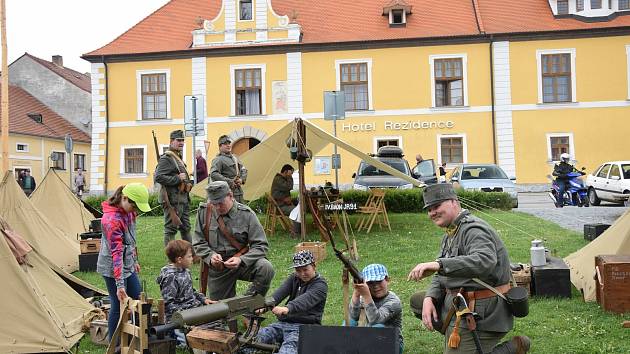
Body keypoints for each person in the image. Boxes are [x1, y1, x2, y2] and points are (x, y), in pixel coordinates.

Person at [408, 183, 530, 354]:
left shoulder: (473, 229)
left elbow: (484, 261)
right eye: (429, 209)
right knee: (418, 301)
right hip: (460, 301)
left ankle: (513, 348)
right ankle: (457, 336)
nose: (432, 213)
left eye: (436, 206)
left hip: (483, 312)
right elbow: (441, 272)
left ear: (454, 202)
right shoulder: (451, 231)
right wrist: (430, 297)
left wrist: (439, 264)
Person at [192, 181, 274, 301]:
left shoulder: (247, 214)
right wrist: (211, 256)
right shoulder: (204, 212)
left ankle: (249, 306)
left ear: (230, 196)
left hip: (242, 263)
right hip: (219, 268)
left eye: (221, 203)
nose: (217, 207)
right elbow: (198, 242)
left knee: (266, 268)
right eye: (214, 203)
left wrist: (241, 260)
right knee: (222, 314)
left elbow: (261, 245)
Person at [96, 183, 151, 342]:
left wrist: (134, 260)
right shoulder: (111, 220)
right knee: (118, 305)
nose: (135, 211)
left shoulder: (129, 213)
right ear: (124, 198)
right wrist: (120, 285)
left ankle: (137, 337)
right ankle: (115, 344)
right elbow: (116, 254)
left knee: (136, 296)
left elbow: (131, 241)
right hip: (112, 267)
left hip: (127, 264)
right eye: (134, 206)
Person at [245, 250, 328, 354]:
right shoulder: (294, 278)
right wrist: (264, 306)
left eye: (305, 269)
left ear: (314, 266)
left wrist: (287, 308)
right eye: (298, 270)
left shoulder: (321, 286)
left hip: (305, 328)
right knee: (251, 341)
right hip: (283, 323)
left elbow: (305, 301)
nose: (302, 274)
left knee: (288, 350)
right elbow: (278, 295)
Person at [157, 239, 216, 347]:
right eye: (189, 256)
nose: (192, 259)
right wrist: (185, 317)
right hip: (179, 317)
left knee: (214, 318)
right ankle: (180, 338)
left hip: (192, 308)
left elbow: (191, 291)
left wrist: (204, 299)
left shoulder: (185, 271)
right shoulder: (170, 276)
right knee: (185, 343)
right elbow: (169, 303)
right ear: (179, 259)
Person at [349, 264, 403, 354]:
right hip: (369, 339)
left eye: (379, 281)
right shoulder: (365, 297)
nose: (375, 286)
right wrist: (356, 293)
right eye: (370, 283)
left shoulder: (394, 302)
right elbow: (353, 316)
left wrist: (366, 295)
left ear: (387, 280)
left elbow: (376, 321)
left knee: (378, 327)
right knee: (349, 322)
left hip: (392, 344)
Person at [155, 130, 193, 246]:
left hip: (182, 198)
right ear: (171, 141)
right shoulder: (166, 158)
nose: (181, 143)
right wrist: (177, 179)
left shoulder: (177, 157)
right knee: (171, 229)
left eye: (182, 140)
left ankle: (190, 254)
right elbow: (159, 177)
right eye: (178, 140)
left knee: (185, 228)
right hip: (172, 200)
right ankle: (171, 259)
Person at [210, 135, 248, 203]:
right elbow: (214, 174)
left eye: (229, 143)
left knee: (240, 212)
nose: (228, 145)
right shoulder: (218, 159)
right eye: (225, 144)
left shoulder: (235, 157)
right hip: (226, 194)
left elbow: (243, 169)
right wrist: (229, 182)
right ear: (220, 146)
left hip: (238, 192)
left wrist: (241, 179)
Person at [271, 164, 300, 236]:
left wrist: (291, 199)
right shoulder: (278, 179)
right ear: (286, 171)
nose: (292, 174)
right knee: (297, 211)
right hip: (279, 206)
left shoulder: (282, 179)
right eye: (291, 172)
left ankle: (300, 229)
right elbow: (289, 187)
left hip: (283, 204)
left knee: (299, 207)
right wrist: (290, 177)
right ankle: (296, 232)